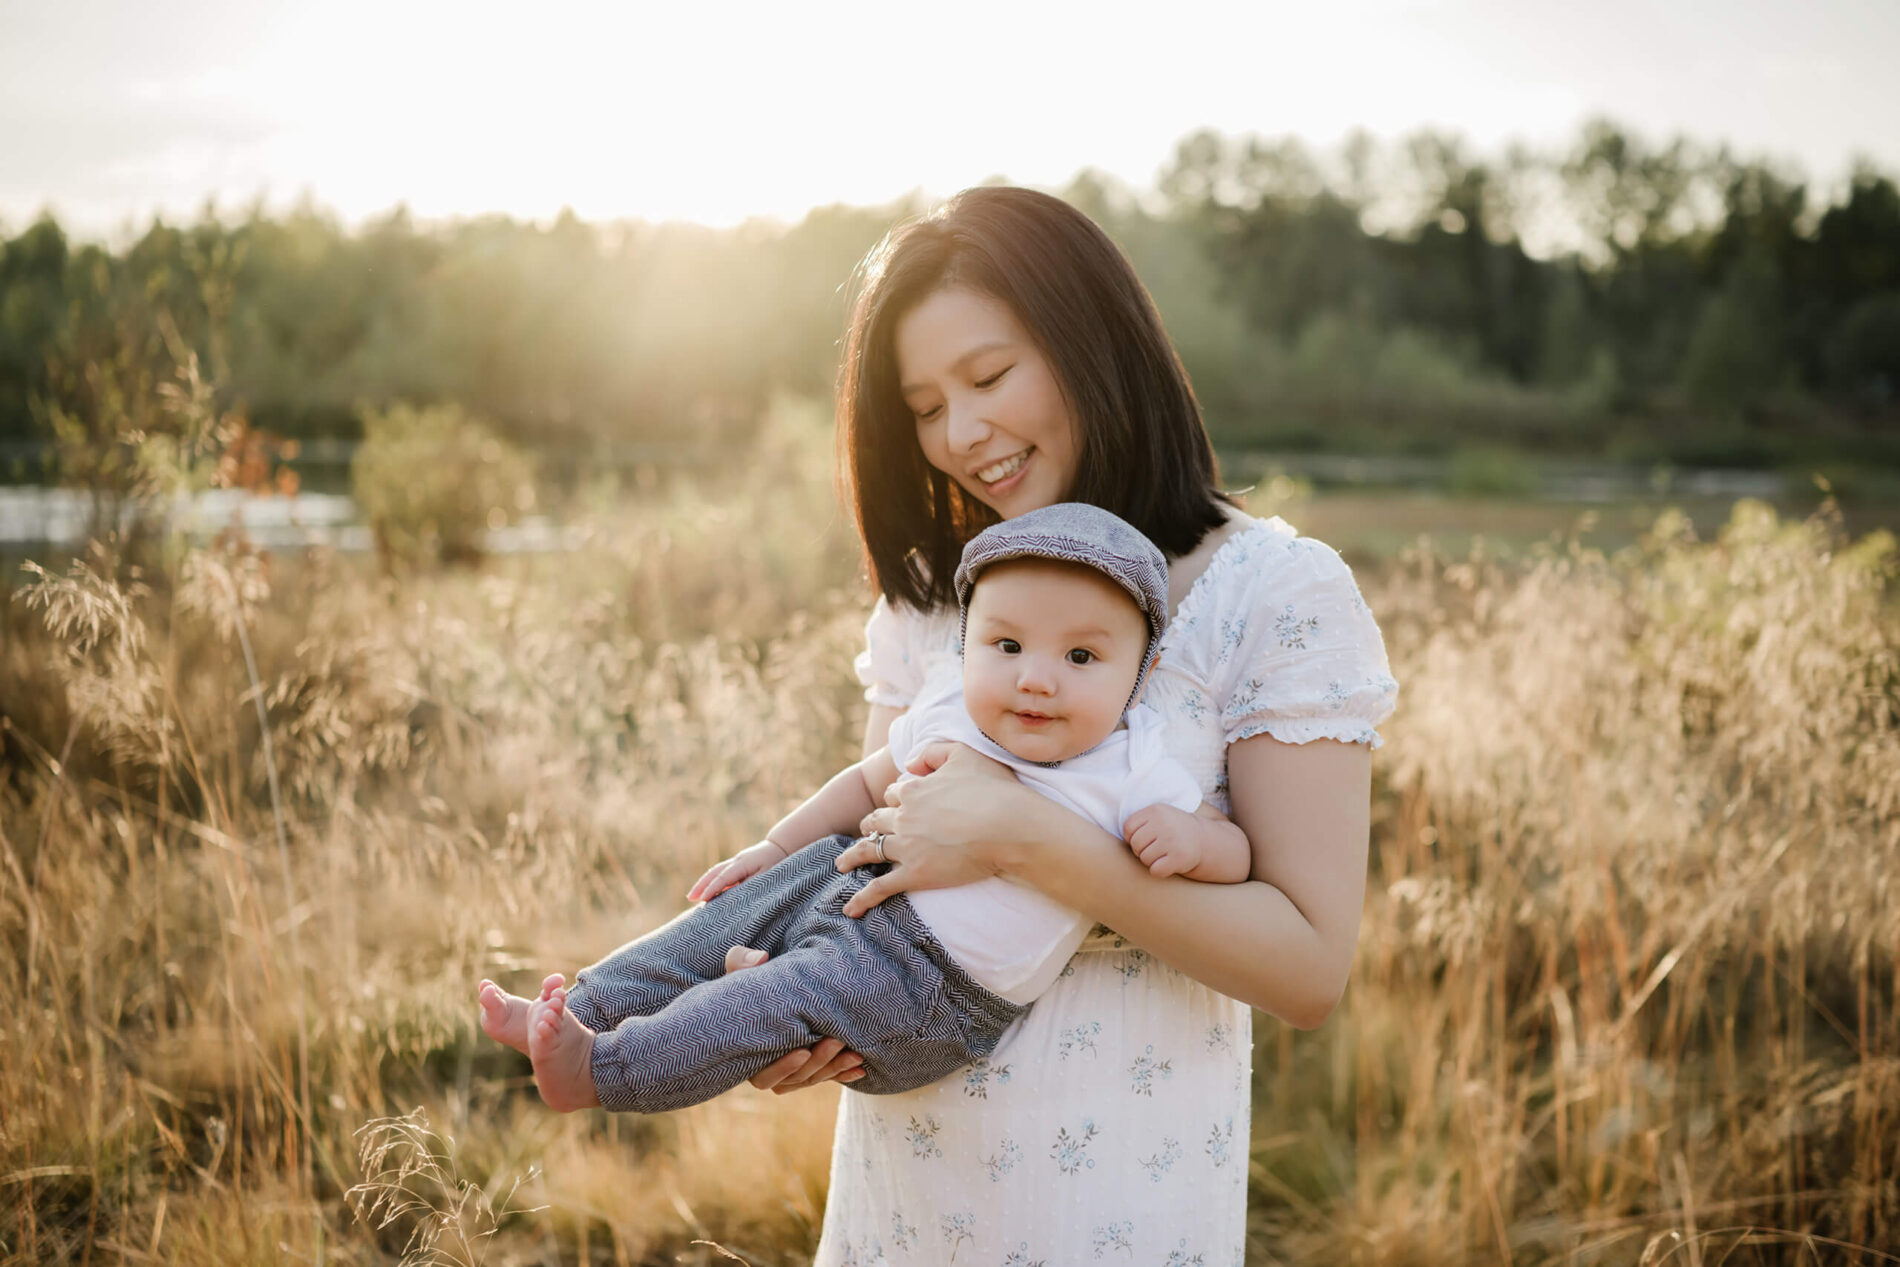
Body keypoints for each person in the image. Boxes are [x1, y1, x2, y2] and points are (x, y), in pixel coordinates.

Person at [736, 186, 1398, 1264]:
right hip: (910, 1186)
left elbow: (1309, 967)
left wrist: (1028, 840)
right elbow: (874, 863)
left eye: (989, 378)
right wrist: (798, 1005)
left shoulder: (1271, 592)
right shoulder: (931, 600)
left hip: (1128, 1192)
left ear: (1092, 345)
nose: (960, 434)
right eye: (922, 406)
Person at [476, 504, 1251, 1114]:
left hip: (927, 985)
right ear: (967, 644)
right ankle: (586, 1006)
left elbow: (1235, 852)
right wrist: (774, 852)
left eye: (1080, 657)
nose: (1036, 679)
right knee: (718, 920)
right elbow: (861, 783)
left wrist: (1190, 839)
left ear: (1140, 673)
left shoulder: (1129, 763)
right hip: (840, 884)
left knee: (766, 998)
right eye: (1007, 645)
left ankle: (597, 1071)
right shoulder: (950, 711)